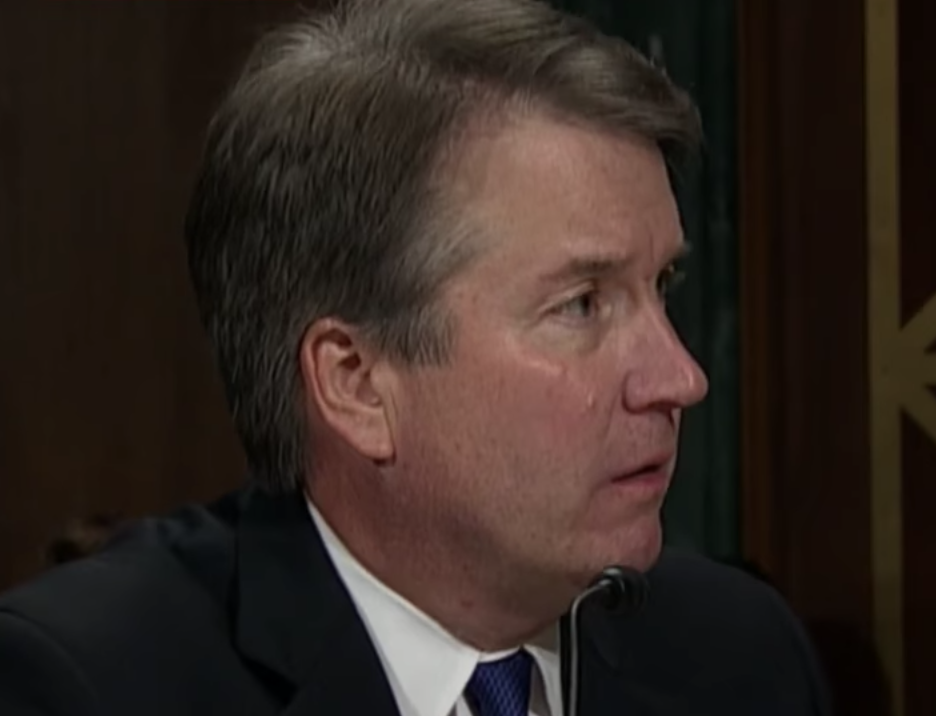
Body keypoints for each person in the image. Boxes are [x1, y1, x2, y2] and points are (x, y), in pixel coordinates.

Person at [0, 1, 831, 714]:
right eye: (581, 304)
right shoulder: (87, 685)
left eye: (663, 287)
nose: (682, 378)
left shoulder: (739, 657)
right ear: (357, 384)